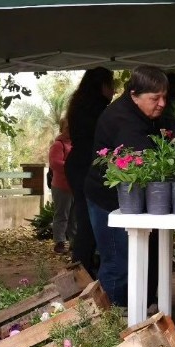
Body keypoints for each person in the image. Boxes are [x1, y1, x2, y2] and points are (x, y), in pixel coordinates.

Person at [84, 65, 167, 308]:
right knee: (117, 263)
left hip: (127, 200)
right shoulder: (122, 120)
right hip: (107, 201)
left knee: (138, 259)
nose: (162, 103)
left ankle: (138, 309)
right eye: (155, 98)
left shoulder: (142, 114)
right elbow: (144, 162)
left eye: (164, 96)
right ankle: (112, 320)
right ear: (134, 95)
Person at [64, 67, 115, 277]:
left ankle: (82, 267)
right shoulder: (102, 110)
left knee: (84, 219)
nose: (113, 91)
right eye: (111, 86)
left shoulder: (79, 106)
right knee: (88, 221)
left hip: (77, 163)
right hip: (88, 165)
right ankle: (82, 270)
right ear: (103, 86)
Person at [49, 116, 74, 254]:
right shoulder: (58, 145)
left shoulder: (75, 143)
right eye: (67, 128)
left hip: (74, 186)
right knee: (61, 215)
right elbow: (55, 163)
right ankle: (59, 243)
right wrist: (72, 165)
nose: (70, 131)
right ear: (62, 129)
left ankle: (74, 243)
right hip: (61, 186)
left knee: (74, 217)